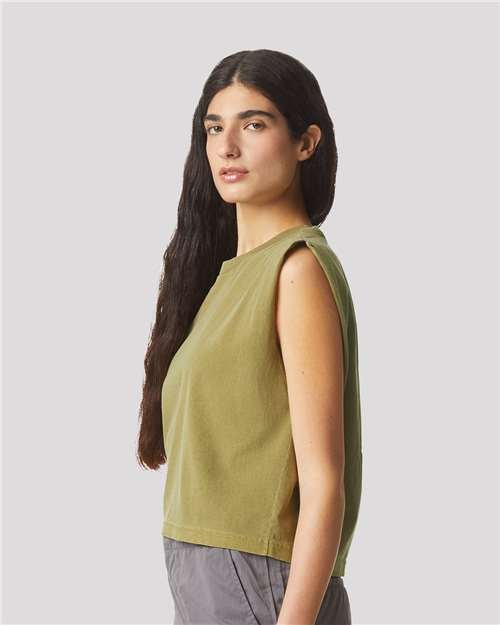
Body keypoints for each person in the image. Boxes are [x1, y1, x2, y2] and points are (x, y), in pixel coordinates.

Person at [137, 48, 363, 625]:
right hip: (208, 571)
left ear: (306, 142)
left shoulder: (296, 268)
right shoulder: (224, 280)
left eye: (254, 125)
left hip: (257, 576)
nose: (226, 147)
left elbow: (324, 483)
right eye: (214, 128)